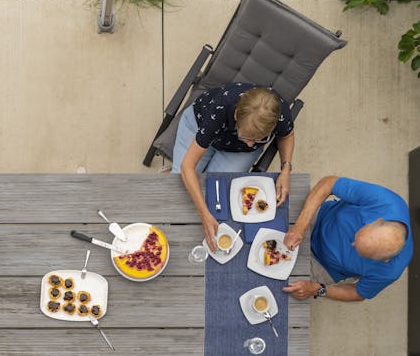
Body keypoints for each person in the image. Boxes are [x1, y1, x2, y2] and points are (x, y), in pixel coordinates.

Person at [171, 82, 295, 251]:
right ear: (236, 115)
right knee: (178, 180)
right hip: (200, 127)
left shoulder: (280, 113)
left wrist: (286, 169)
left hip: (236, 150)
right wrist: (204, 214)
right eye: (247, 136)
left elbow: (287, 135)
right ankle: (170, 171)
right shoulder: (221, 107)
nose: (252, 143)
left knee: (217, 191)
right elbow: (187, 166)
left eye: (259, 139)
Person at [282, 176, 413, 302]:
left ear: (385, 260)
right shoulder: (385, 201)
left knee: (279, 286)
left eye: (360, 252)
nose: (352, 243)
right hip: (319, 217)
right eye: (358, 235)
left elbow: (358, 293)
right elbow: (329, 183)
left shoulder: (390, 272)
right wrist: (301, 225)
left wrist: (318, 289)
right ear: (377, 221)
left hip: (323, 267)